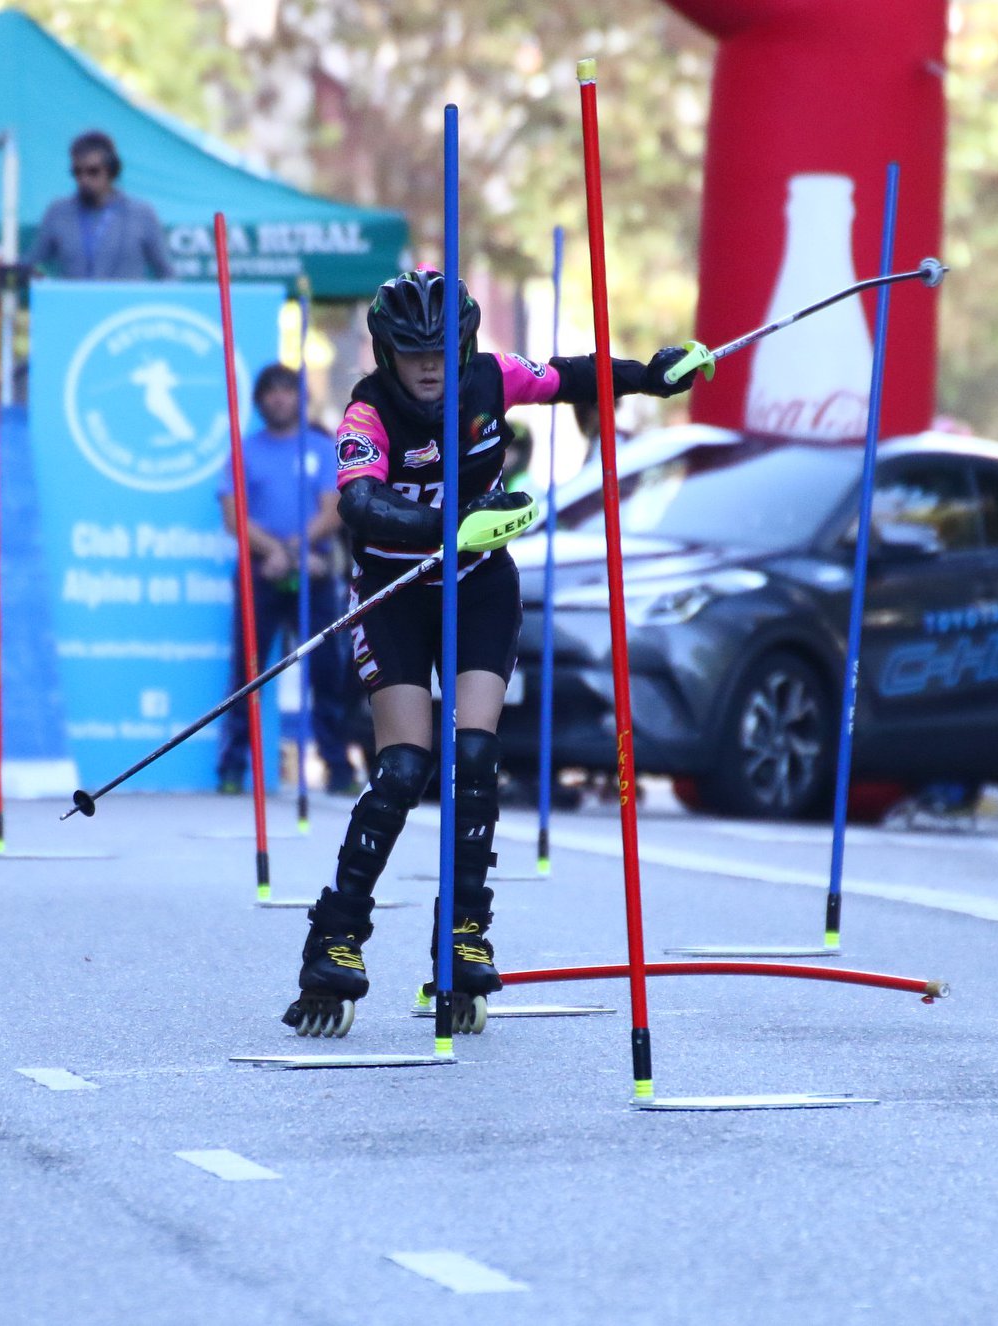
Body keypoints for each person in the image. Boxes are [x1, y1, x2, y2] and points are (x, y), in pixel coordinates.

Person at [282, 267, 700, 1037]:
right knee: (404, 768)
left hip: (478, 587)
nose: (429, 366)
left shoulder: (490, 379)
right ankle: (335, 936)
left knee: (474, 753)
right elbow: (359, 502)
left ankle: (464, 930)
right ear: (386, 352)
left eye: (441, 350)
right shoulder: (367, 413)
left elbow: (570, 377)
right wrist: (445, 527)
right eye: (412, 352)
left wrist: (650, 374)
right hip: (394, 594)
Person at [216, 363, 356, 797]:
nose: (279, 399)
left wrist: (292, 552)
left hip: (313, 571)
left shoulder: (322, 448)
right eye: (270, 392)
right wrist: (274, 553)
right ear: (259, 401)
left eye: (287, 390)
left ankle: (337, 766)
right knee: (248, 672)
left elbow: (333, 511)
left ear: (301, 397)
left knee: (327, 670)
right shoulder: (244, 452)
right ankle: (233, 767)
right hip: (260, 572)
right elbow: (234, 517)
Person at [26, 131, 173, 281]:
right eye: (77, 172)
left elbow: (167, 274)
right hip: (74, 296)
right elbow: (31, 264)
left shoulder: (142, 214)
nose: (84, 179)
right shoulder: (58, 213)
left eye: (93, 171)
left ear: (112, 170)